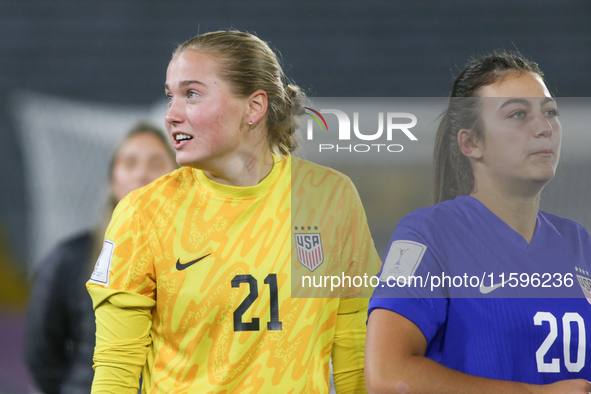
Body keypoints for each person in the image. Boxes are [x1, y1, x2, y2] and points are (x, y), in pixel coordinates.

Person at [86, 30, 380, 394]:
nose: (171, 115)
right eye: (169, 97)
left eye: (191, 94)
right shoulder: (143, 213)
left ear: (254, 107)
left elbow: (355, 350)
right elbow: (116, 370)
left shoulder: (330, 197)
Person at [365, 52, 591, 393]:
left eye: (550, 112)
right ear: (471, 143)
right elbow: (387, 376)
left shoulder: (579, 243)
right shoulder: (429, 237)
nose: (544, 128)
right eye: (518, 114)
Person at [26, 123, 176, 394]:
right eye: (129, 163)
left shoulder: (199, 255)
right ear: (112, 179)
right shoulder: (68, 259)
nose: (142, 174)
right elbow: (42, 355)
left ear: (177, 176)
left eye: (156, 162)